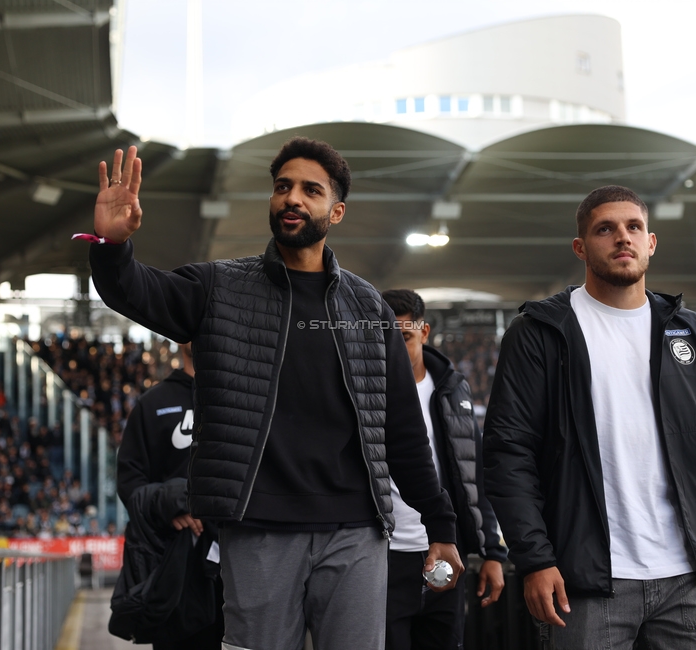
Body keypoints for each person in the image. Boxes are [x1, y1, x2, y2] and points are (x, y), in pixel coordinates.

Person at [85, 137, 462, 650]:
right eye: (282, 187)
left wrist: (440, 521)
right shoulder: (220, 288)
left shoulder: (368, 306)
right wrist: (111, 248)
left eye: (311, 190)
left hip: (356, 529)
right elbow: (136, 291)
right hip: (258, 527)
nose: (292, 199)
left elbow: (401, 431)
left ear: (337, 211)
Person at [482, 185, 696, 649]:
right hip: (586, 583)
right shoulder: (538, 332)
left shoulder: (692, 333)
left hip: (688, 580)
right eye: (605, 229)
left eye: (634, 227)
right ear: (581, 247)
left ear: (650, 242)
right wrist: (534, 560)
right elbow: (509, 454)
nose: (622, 238)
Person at [381, 289, 507, 650]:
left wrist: (492, 553)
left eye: (403, 336)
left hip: (445, 550)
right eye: (384, 337)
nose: (393, 347)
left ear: (424, 331)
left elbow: (473, 477)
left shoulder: (453, 390)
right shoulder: (365, 394)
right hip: (384, 556)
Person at [113, 342, 223, 649]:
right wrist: (171, 507)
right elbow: (129, 480)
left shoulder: (238, 397)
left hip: (238, 560)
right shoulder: (153, 403)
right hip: (175, 566)